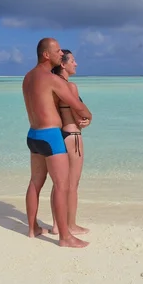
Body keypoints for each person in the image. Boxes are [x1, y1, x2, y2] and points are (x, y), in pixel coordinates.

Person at [22, 38, 92, 248]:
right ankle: (65, 236)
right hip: (51, 136)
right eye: (58, 50)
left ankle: (32, 228)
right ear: (46, 55)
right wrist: (89, 116)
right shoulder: (53, 80)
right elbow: (76, 105)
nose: (61, 53)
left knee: (35, 182)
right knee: (62, 186)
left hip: (33, 134)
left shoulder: (27, 77)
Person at [50, 50, 90, 235]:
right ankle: (71, 225)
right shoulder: (70, 87)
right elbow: (78, 112)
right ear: (63, 64)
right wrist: (87, 119)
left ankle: (57, 225)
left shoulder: (51, 86)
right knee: (72, 185)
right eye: (73, 61)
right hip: (72, 136)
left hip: (57, 135)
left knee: (58, 184)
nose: (76, 64)